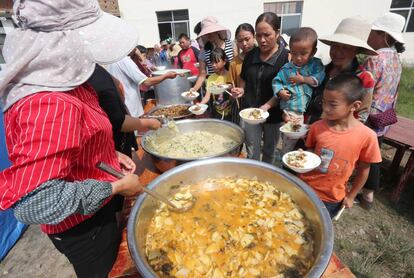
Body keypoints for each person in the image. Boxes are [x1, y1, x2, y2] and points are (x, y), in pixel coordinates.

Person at [0, 0, 144, 277]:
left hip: (95, 213)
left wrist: (107, 155)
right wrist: (115, 188)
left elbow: (76, 140)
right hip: (84, 229)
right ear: (61, 43)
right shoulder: (49, 104)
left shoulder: (66, 82)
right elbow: (37, 201)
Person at [299, 73, 382, 218]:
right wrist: (303, 157)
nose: (326, 108)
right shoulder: (317, 127)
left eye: (333, 104)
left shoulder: (368, 137)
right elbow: (311, 149)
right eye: (324, 102)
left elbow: (364, 171)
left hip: (330, 197)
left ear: (355, 106)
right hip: (303, 187)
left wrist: (351, 196)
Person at [358, 13, 406, 209]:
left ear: (382, 34)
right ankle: (368, 193)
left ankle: (368, 192)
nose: (368, 35)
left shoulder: (375, 59)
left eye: (371, 32)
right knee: (375, 151)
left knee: (368, 155)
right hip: (385, 115)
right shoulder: (396, 58)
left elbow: (363, 89)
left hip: (370, 115)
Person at [232, 12, 289, 164]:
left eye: (267, 35)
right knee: (252, 151)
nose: (262, 40)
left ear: (277, 33)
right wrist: (241, 90)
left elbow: (286, 89)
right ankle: (253, 179)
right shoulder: (251, 56)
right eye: (258, 35)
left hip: (274, 114)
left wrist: (267, 106)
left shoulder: (286, 58)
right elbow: (244, 78)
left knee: (270, 151)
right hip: (250, 112)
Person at [306, 16, 377, 124]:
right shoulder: (320, 71)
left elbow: (361, 116)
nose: (338, 52)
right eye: (335, 46)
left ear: (356, 51)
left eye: (345, 48)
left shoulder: (364, 78)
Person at [266, 27, 325, 154]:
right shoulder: (287, 68)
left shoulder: (315, 65)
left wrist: (303, 79)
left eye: (303, 53)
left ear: (313, 52)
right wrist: (280, 91)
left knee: (303, 142)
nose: (298, 57)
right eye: (294, 53)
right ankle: (286, 159)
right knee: (290, 140)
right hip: (291, 109)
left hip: (306, 110)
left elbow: (318, 79)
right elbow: (276, 81)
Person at [107, 49, 179, 118]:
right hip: (131, 109)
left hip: (121, 107)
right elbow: (146, 82)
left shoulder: (112, 61)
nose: (136, 49)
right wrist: (166, 76)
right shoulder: (125, 60)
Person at [190, 17, 236, 93]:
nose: (208, 35)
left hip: (232, 87)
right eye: (206, 33)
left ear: (217, 31)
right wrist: (194, 89)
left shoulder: (231, 45)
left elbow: (236, 67)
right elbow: (202, 74)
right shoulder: (204, 51)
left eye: (210, 32)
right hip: (214, 89)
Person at [200, 48, 233, 120]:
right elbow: (207, 97)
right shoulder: (210, 78)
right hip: (217, 113)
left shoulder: (230, 75)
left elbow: (233, 90)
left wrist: (227, 87)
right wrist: (200, 104)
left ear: (224, 62)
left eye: (216, 62)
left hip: (231, 113)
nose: (213, 65)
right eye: (212, 62)